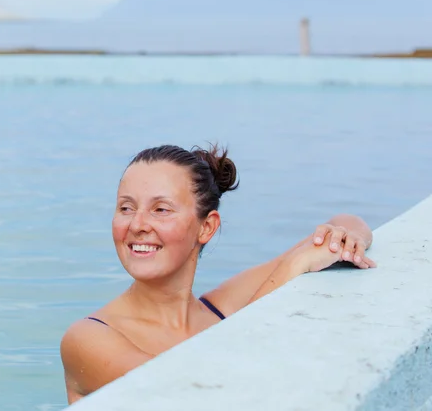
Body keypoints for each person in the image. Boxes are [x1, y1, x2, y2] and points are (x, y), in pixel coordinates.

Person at [60, 144, 375, 404]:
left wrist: (342, 239)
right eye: (126, 208)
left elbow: (347, 221)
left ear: (206, 227)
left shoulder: (221, 309)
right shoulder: (88, 338)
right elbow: (200, 394)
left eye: (160, 209)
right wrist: (292, 268)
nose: (137, 224)